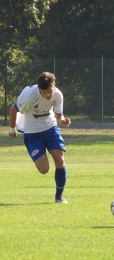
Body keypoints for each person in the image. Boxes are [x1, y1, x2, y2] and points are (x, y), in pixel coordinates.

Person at [8, 72, 71, 204]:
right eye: (44, 92)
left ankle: (59, 197)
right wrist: (12, 129)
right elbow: (13, 110)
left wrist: (63, 122)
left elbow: (59, 118)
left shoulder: (58, 95)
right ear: (39, 89)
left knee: (60, 161)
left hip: (51, 128)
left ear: (54, 86)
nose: (48, 95)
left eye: (50, 91)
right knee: (44, 169)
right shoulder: (30, 96)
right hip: (32, 133)